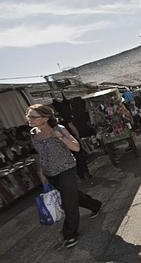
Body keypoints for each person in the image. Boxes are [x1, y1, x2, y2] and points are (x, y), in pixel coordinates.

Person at [27, 104, 102, 249]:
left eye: (33, 116)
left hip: (66, 170)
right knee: (73, 196)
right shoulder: (33, 134)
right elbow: (40, 155)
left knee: (69, 203)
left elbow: (76, 147)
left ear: (45, 118)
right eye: (28, 116)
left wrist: (60, 137)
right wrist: (41, 172)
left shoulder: (59, 129)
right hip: (50, 173)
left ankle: (70, 234)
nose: (29, 119)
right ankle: (95, 205)